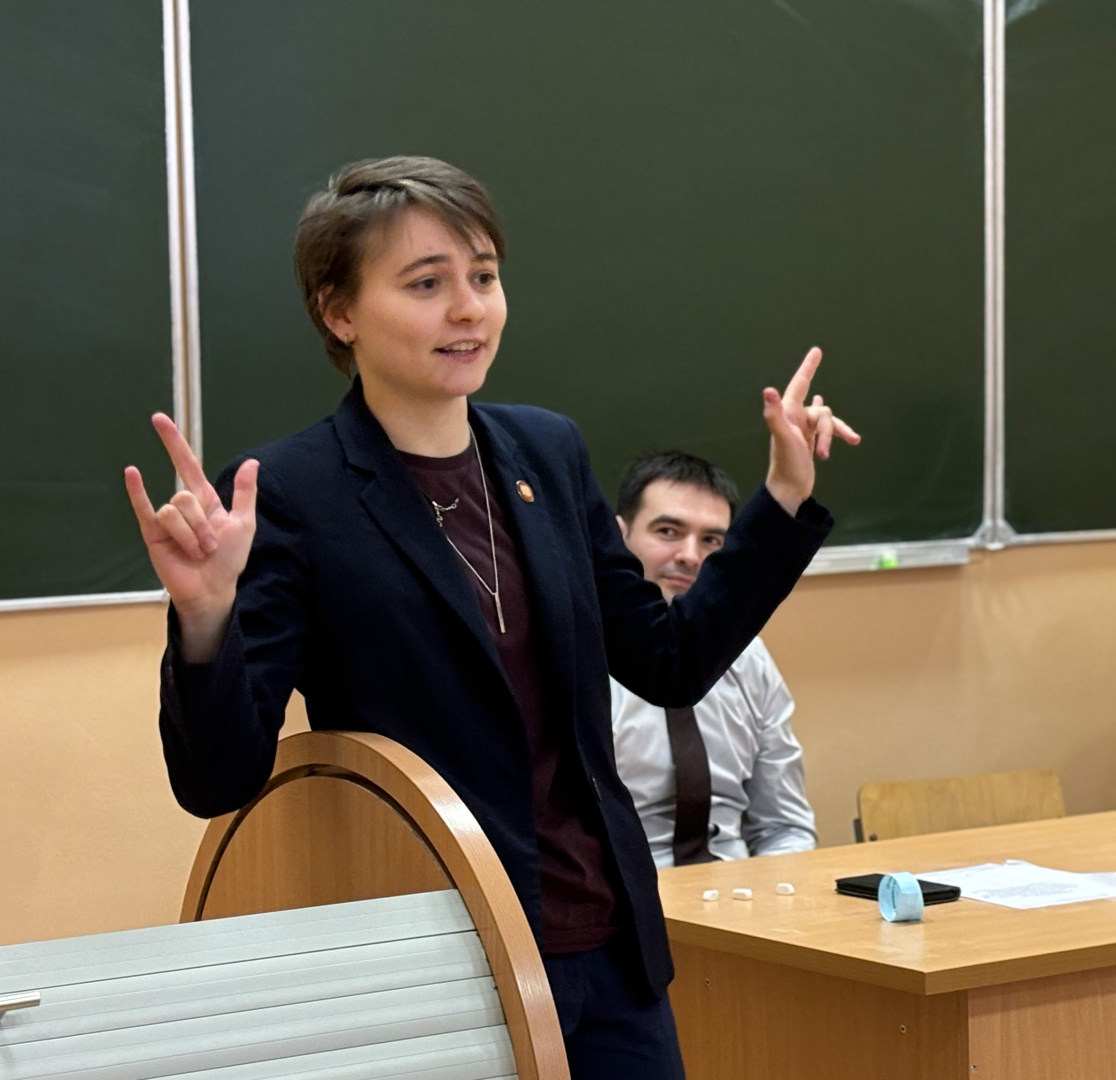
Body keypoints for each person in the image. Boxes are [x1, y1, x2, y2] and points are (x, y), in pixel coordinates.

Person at [122, 156, 859, 1079]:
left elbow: (666, 660)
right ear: (339, 312)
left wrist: (782, 499)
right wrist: (205, 617)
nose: (469, 309)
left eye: (483, 276)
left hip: (609, 950)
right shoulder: (294, 494)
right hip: (442, 959)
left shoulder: (546, 450)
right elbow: (218, 779)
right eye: (426, 284)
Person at [608, 450, 817, 869]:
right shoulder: (578, 657)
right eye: (668, 531)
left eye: (711, 540)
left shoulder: (749, 659)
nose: (690, 555)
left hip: (735, 890)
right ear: (618, 536)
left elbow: (784, 828)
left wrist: (775, 897)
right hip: (624, 892)